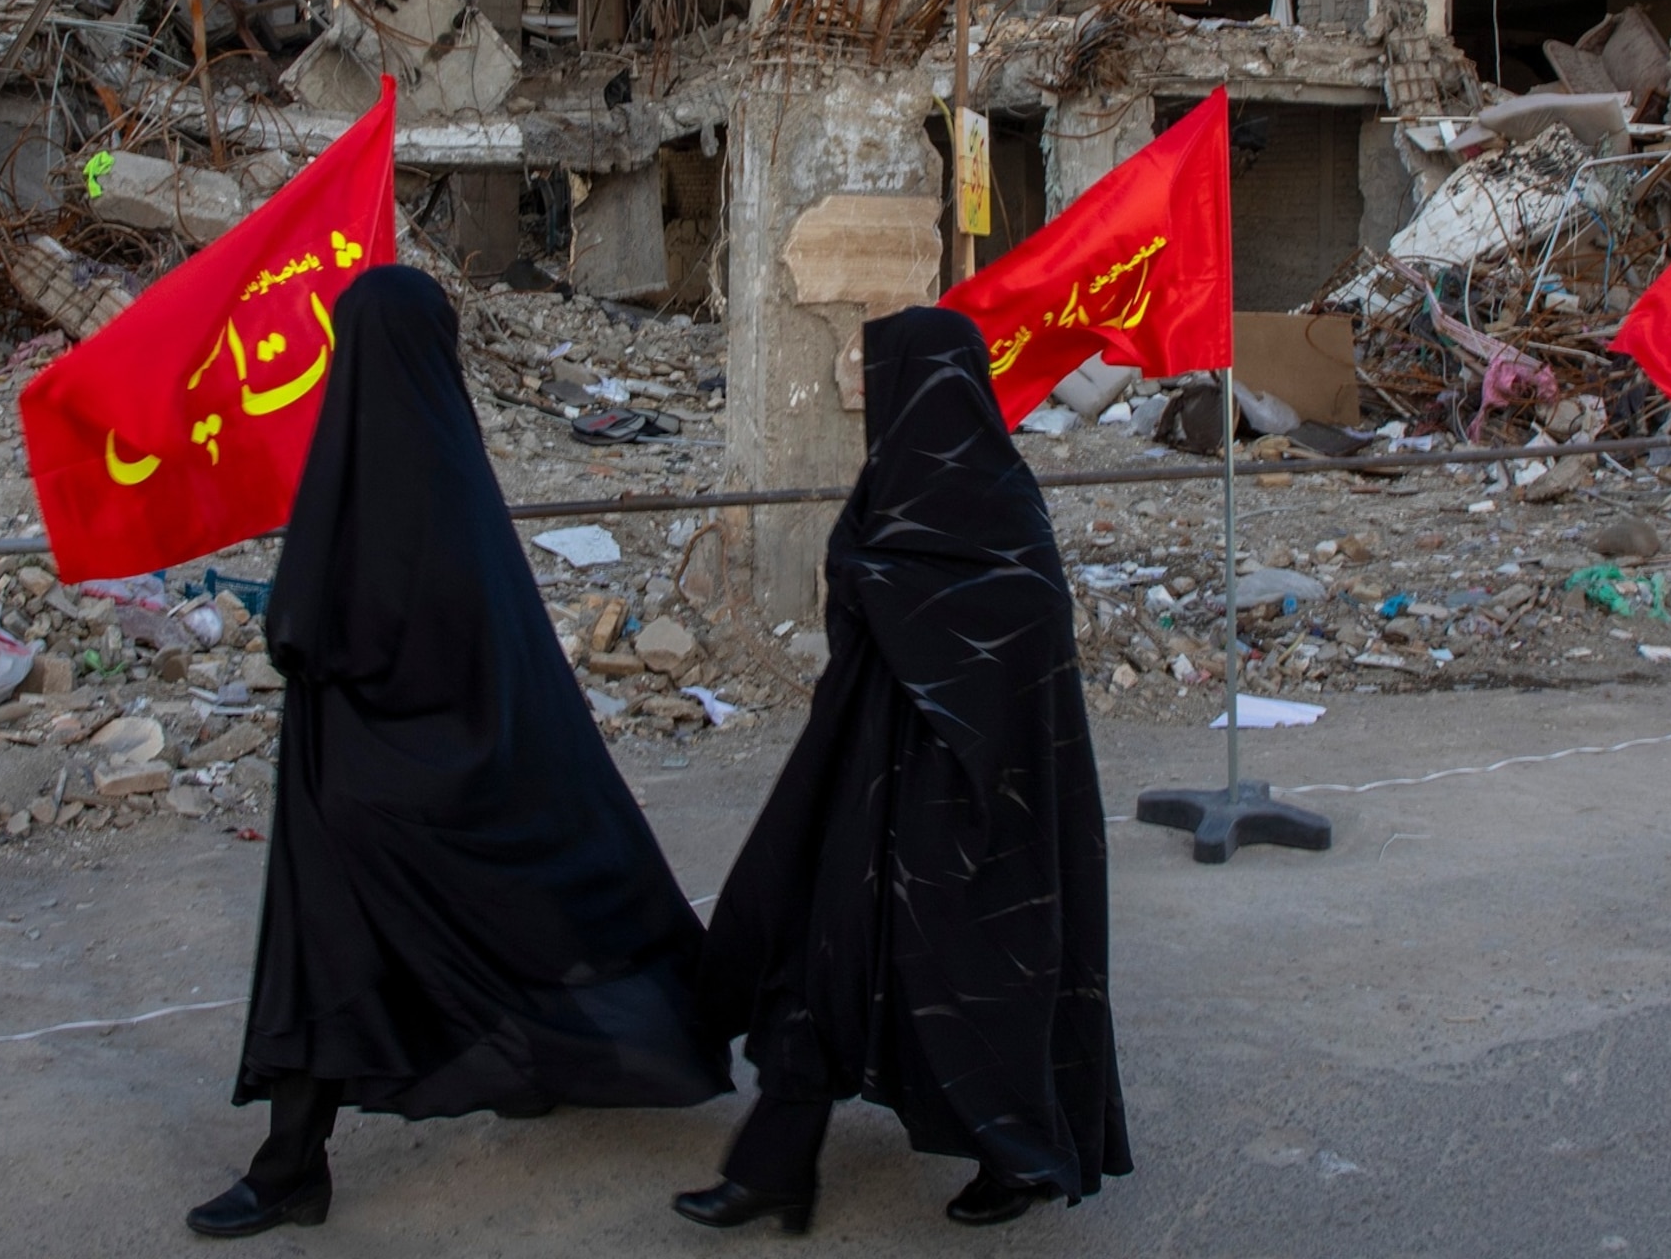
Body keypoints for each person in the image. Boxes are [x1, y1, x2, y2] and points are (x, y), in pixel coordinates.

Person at [191, 265, 730, 1239]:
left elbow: (300, 626)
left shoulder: (352, 466)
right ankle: (620, 1043)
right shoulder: (457, 467)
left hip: (352, 779)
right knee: (521, 911)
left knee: (323, 955)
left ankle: (289, 1168)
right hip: (465, 773)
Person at [676, 305, 1129, 1236]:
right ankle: (773, 1166)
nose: (857, 387)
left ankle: (1019, 1156)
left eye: (870, 372)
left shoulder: (1000, 515)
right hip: (863, 776)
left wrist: (890, 600)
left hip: (972, 808)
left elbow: (1017, 650)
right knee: (815, 953)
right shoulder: (894, 492)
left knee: (963, 984)